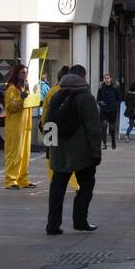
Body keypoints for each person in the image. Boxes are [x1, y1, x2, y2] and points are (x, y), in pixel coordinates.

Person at [45, 65, 103, 235]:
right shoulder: (86, 97)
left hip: (59, 150)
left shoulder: (56, 95)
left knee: (57, 188)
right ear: (83, 77)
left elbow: (48, 122)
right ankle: (80, 221)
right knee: (86, 185)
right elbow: (94, 127)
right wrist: (96, 152)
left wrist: (50, 149)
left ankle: (52, 225)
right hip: (81, 152)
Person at [2, 64, 35, 189]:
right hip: (15, 126)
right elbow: (10, 107)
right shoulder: (12, 89)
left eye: (26, 72)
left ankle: (22, 178)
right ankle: (10, 179)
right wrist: (21, 99)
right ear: (17, 74)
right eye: (22, 73)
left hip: (25, 125)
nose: (25, 75)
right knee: (14, 153)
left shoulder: (25, 87)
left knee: (25, 154)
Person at [95, 73, 122, 149]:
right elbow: (98, 99)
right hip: (104, 110)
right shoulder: (101, 88)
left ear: (110, 79)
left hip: (112, 110)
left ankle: (113, 141)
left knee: (112, 127)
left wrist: (115, 104)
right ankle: (104, 143)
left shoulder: (115, 87)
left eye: (108, 78)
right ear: (103, 79)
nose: (107, 80)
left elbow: (119, 98)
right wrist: (100, 103)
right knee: (104, 125)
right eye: (105, 78)